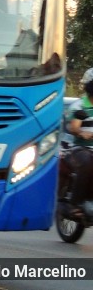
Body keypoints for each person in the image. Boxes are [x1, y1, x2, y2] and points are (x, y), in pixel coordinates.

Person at [65, 69, 93, 219]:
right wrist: (82, 133)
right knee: (88, 162)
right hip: (80, 148)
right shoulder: (80, 106)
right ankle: (73, 203)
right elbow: (74, 126)